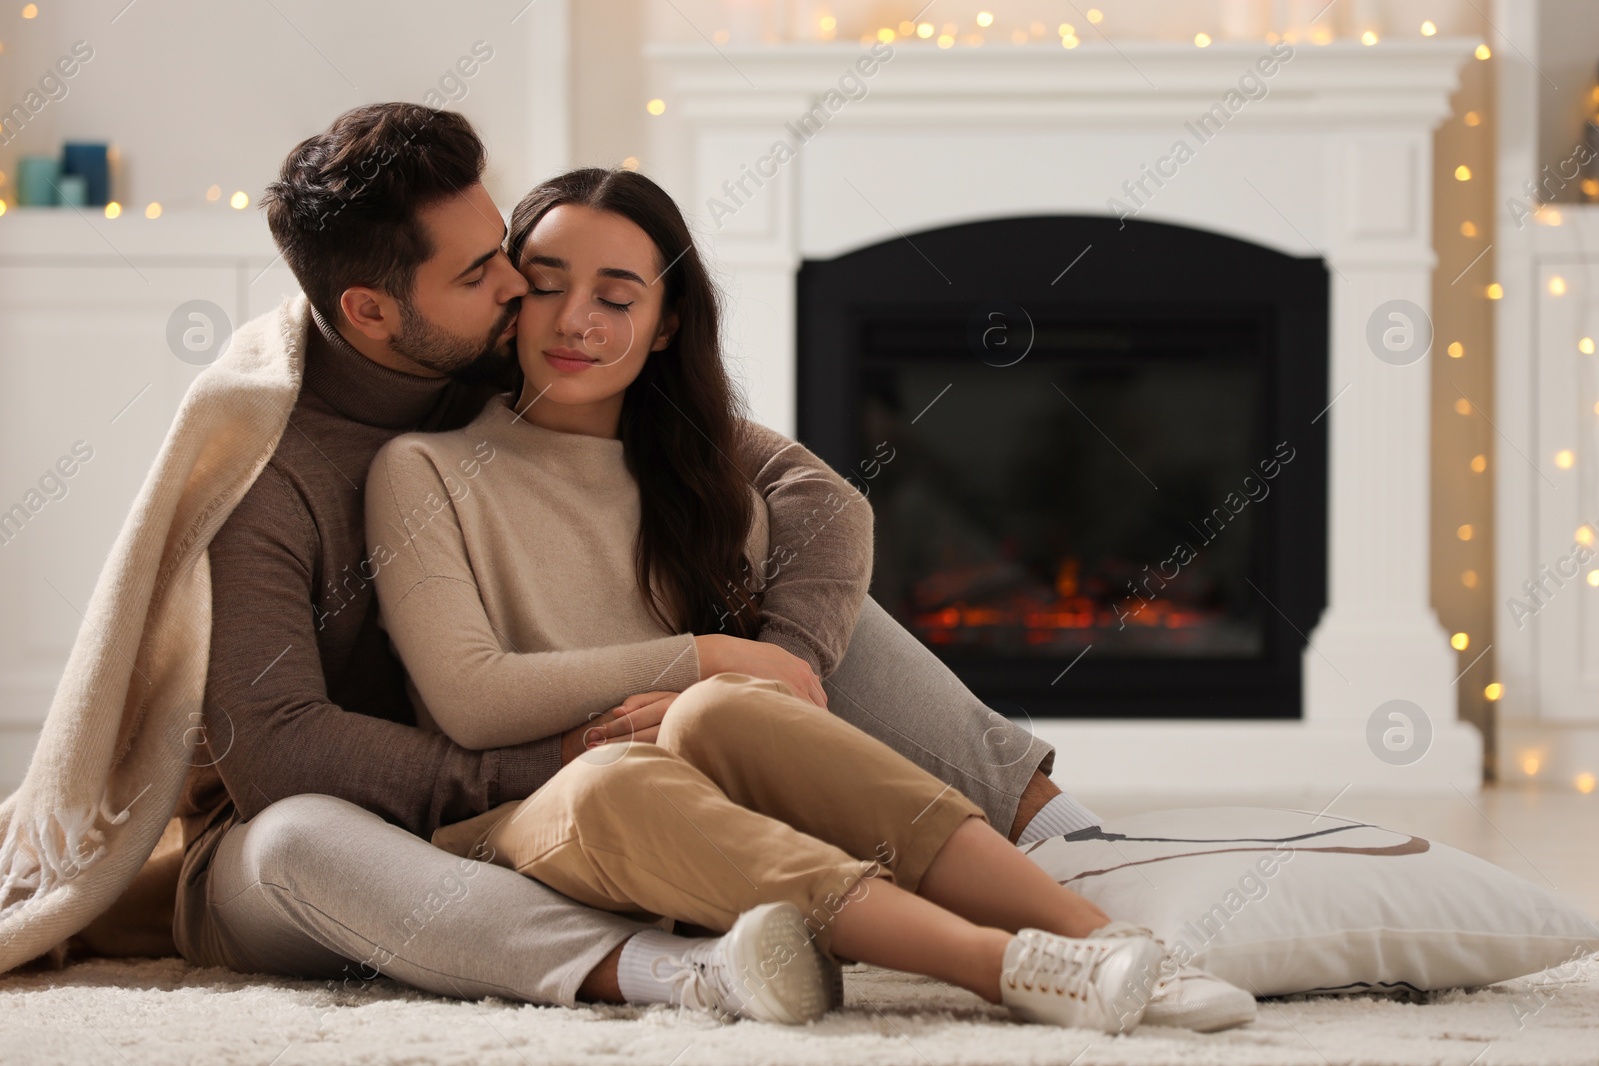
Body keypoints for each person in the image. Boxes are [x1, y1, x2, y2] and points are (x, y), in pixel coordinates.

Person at [175, 101, 1249, 1032]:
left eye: (591, 289)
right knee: (314, 835)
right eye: (502, 274)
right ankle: (881, 966)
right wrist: (617, 718)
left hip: (627, 757)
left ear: (661, 321)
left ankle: (1087, 890)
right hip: (385, 814)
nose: (525, 294)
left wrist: (762, 670)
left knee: (746, 679)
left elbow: (818, 498)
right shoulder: (297, 466)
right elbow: (295, 743)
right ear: (372, 310)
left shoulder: (575, 395)